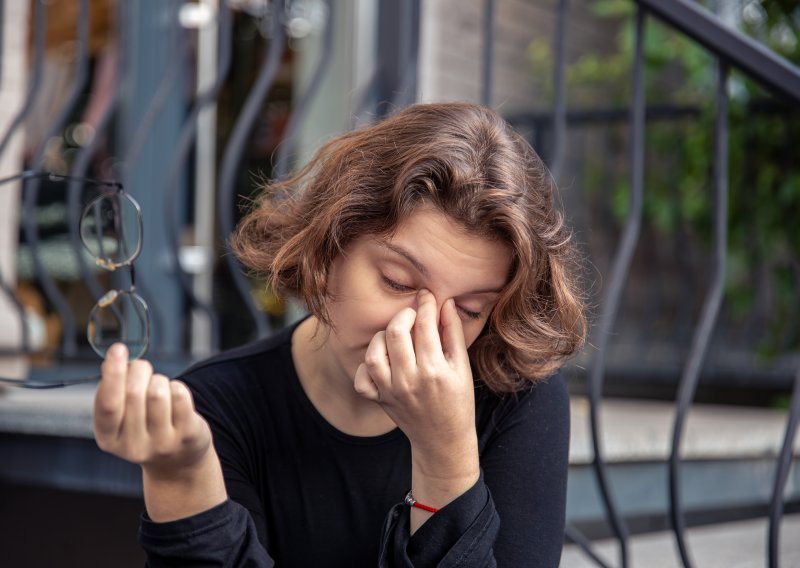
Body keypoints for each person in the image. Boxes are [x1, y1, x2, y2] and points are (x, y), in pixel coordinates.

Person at [93, 101, 586, 567]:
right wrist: (184, 484)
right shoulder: (217, 409)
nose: (423, 330)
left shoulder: (518, 397)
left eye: (469, 309)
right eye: (397, 282)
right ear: (329, 249)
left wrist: (445, 455)